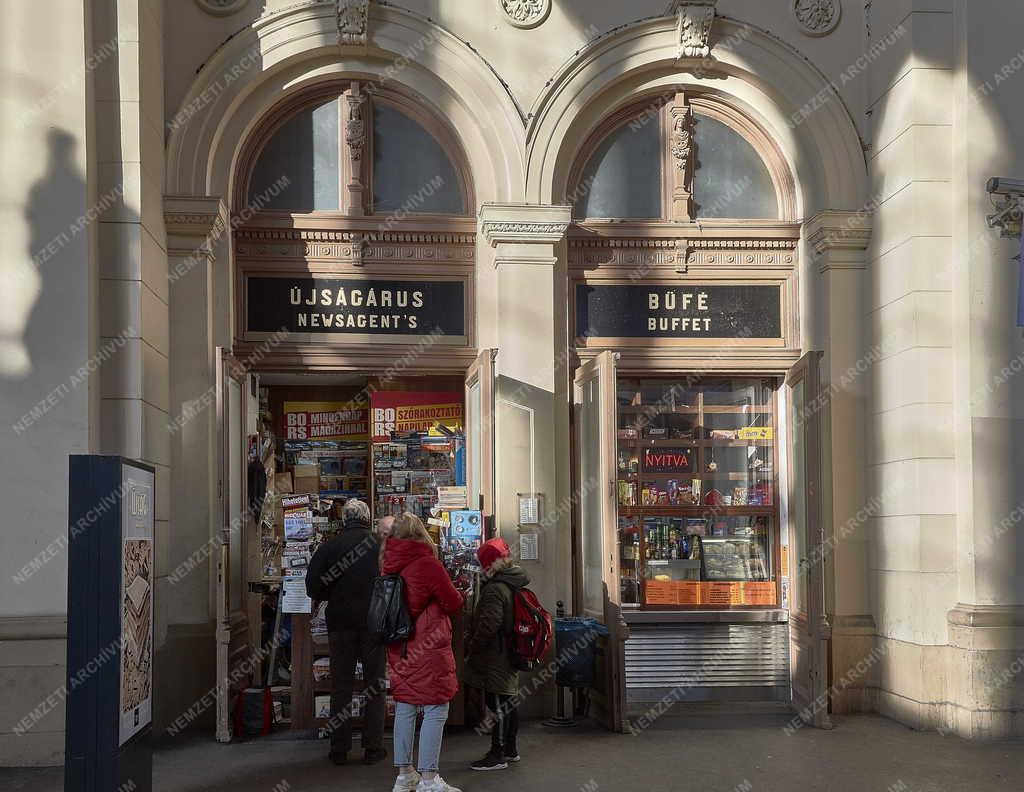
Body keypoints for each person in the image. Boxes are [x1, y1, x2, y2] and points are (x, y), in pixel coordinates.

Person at [382, 513, 465, 792]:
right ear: (420, 533)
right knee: (435, 707)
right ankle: (429, 779)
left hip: (399, 646)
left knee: (405, 706)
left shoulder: (388, 563)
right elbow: (453, 601)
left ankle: (405, 774)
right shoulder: (427, 564)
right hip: (427, 646)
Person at [306, 498, 386, 766]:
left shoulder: (330, 546)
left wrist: (334, 593)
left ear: (344, 519)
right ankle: (373, 748)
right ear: (367, 518)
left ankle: (339, 749)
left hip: (340, 623)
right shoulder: (379, 545)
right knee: (374, 685)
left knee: (341, 685)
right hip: (375, 622)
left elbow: (313, 588)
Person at [465, 538, 529, 771]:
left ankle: (497, 754)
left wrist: (473, 645)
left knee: (499, 703)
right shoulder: (514, 582)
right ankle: (510, 750)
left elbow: (489, 624)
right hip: (511, 651)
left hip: (497, 655)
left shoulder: (495, 589)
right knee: (509, 702)